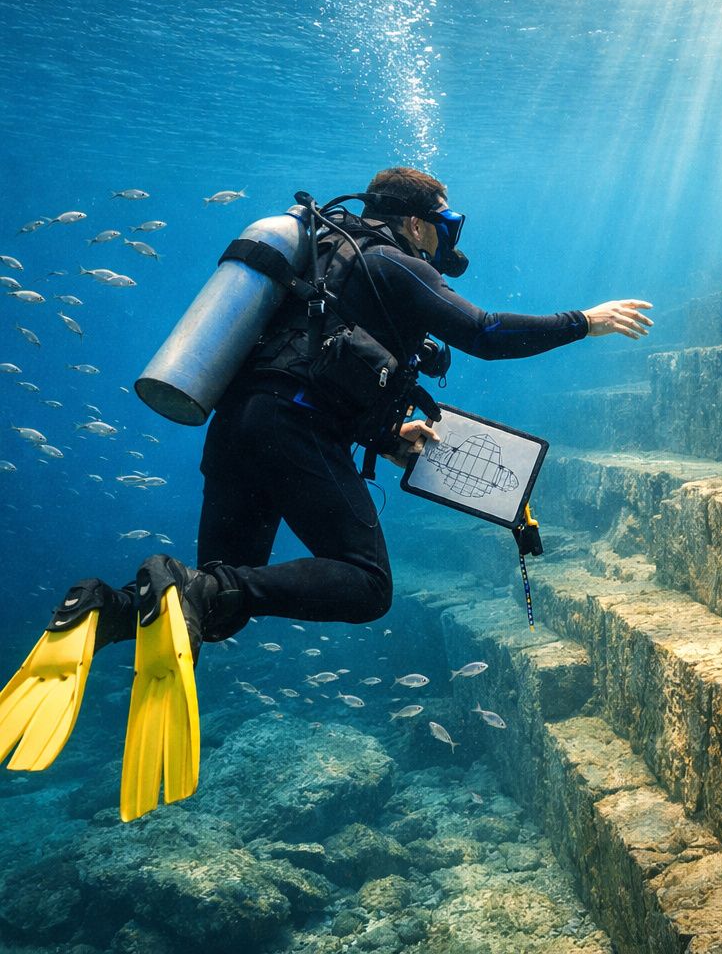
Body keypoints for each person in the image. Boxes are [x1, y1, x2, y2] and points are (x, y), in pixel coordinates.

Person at [0, 166, 653, 819]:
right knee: (366, 583)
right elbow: (483, 333)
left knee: (219, 604)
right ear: (420, 220)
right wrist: (583, 322)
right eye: (444, 225)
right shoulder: (391, 262)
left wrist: (391, 433)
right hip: (292, 429)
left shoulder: (329, 262)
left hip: (239, 431)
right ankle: (189, 588)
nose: (444, 241)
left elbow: (314, 360)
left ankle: (107, 606)